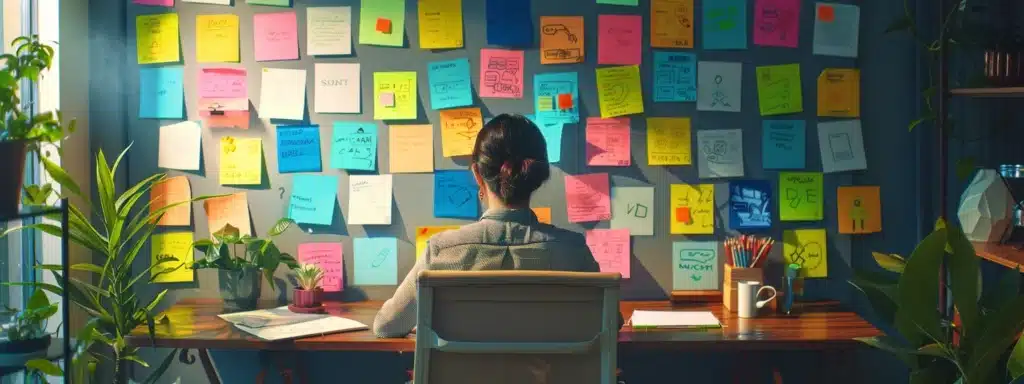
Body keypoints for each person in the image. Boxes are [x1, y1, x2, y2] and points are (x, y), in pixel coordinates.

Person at [373, 114, 621, 338]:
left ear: (477, 175)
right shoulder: (574, 251)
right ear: (536, 177)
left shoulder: (442, 251)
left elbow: (386, 326)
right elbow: (612, 322)